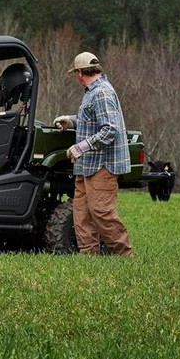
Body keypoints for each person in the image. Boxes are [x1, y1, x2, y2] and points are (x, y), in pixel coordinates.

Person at [54, 52, 133, 256]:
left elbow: (110, 129)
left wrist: (80, 148)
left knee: (102, 212)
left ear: (80, 73)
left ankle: (125, 255)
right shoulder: (92, 91)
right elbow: (92, 120)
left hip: (102, 165)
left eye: (76, 73)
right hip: (87, 165)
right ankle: (88, 255)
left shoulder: (102, 93)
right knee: (81, 214)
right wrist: (71, 121)